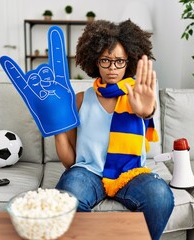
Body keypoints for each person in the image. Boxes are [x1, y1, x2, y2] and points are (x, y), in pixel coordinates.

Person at [55, 20, 174, 240]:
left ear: (129, 61)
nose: (112, 68)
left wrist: (146, 111)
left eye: (119, 61)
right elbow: (70, 162)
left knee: (160, 195)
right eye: (106, 60)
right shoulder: (81, 100)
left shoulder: (137, 96)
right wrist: (56, 126)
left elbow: (148, 111)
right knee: (67, 195)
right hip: (87, 172)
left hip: (130, 174)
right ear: (94, 61)